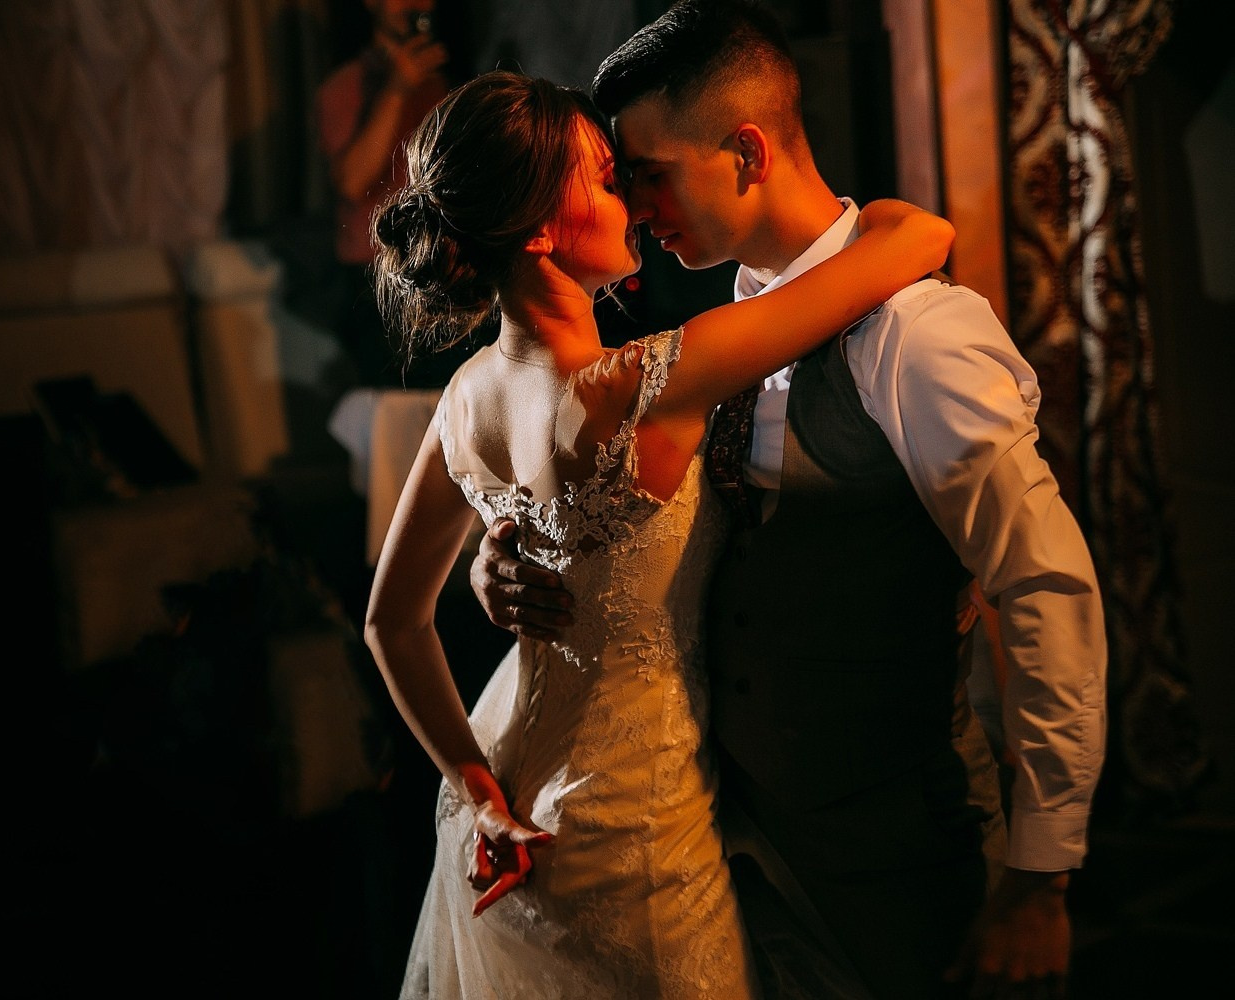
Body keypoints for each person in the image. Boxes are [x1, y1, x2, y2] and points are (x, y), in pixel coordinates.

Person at [468, 3, 1109, 998]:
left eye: (651, 172)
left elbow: (1044, 586)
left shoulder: (919, 337)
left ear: (747, 152)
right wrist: (512, 550)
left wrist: (1040, 878)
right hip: (729, 847)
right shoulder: (727, 334)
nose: (634, 206)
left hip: (901, 849)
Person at [362, 67, 953, 998]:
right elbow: (921, 237)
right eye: (606, 181)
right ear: (540, 231)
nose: (635, 203)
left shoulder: (465, 397)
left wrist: (477, 791)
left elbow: (390, 623)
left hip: (509, 807)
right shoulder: (646, 386)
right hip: (635, 831)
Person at [316, 0, 452, 386]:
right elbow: (352, 182)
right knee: (400, 404)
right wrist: (396, 90)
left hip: (441, 268)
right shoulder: (345, 87)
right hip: (377, 276)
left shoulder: (442, 84)